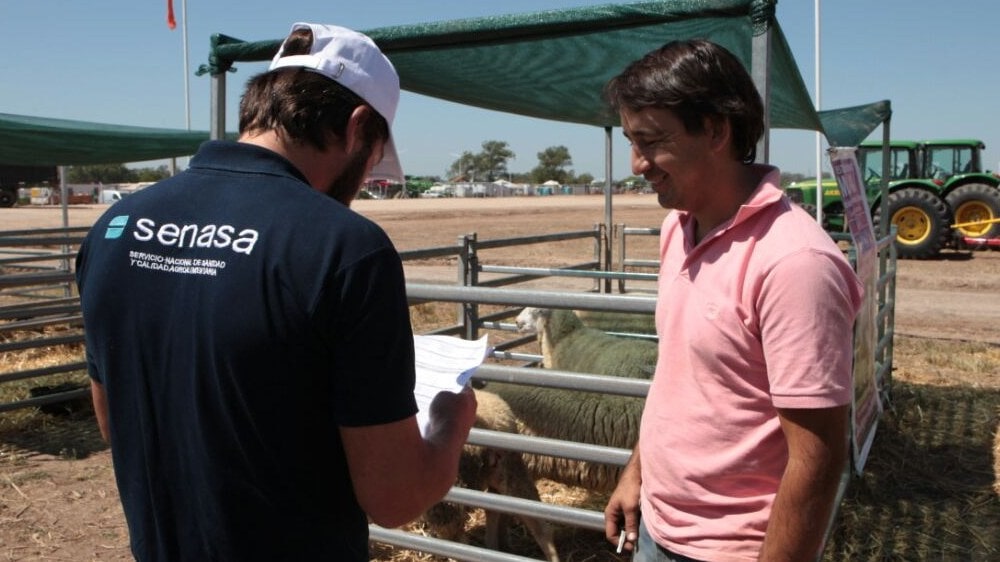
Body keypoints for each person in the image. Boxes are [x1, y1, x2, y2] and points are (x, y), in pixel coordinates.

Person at [75, 22, 477, 561]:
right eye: (374, 159)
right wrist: (451, 423)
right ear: (358, 128)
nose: (362, 183)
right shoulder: (345, 247)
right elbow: (394, 497)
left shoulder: (116, 226)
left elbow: (112, 421)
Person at [601, 39, 863, 562]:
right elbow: (683, 378)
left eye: (650, 141)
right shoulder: (678, 228)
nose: (636, 164)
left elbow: (817, 459)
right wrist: (638, 473)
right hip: (657, 526)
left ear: (717, 129)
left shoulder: (795, 264)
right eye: (632, 141)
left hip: (732, 550)